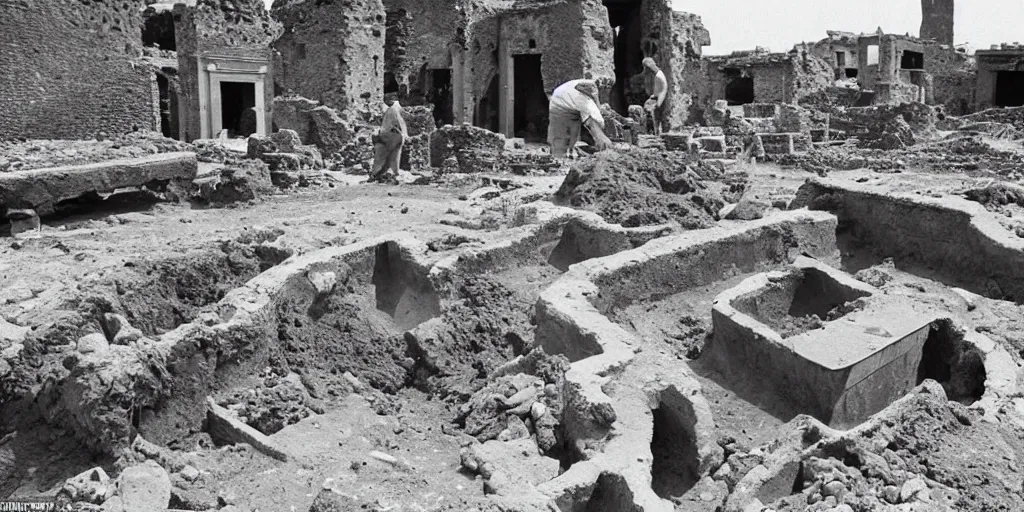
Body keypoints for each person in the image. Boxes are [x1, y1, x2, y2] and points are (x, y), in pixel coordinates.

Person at [547, 79, 612, 159]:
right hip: (563, 102)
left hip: (559, 98)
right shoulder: (588, 105)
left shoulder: (589, 94)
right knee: (564, 134)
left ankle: (559, 155)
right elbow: (592, 124)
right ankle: (559, 157)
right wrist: (602, 139)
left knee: (567, 132)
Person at [370, 101, 408, 184]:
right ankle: (393, 173)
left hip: (391, 135)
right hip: (398, 135)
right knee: (394, 156)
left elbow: (387, 126)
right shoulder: (397, 109)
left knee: (382, 156)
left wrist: (381, 136)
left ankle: (377, 174)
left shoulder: (391, 110)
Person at [642, 57, 668, 135]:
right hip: (655, 98)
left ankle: (656, 133)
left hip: (659, 100)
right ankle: (652, 132)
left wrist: (659, 102)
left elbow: (663, 89)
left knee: (655, 118)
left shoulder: (659, 76)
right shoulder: (656, 75)